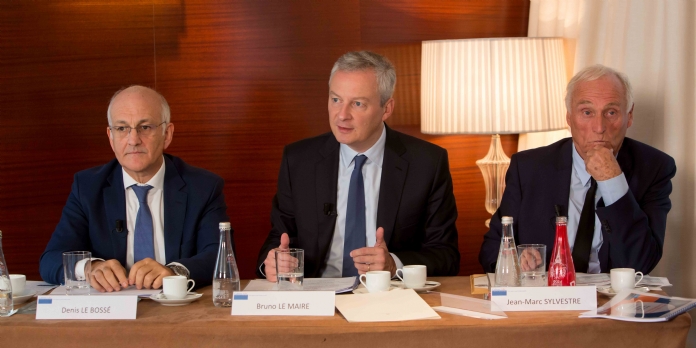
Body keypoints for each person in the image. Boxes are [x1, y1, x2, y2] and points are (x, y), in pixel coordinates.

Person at [257, 51, 460, 281]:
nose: (342, 115)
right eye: (336, 100)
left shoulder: (427, 163)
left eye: (358, 103)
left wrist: (395, 264)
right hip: (318, 296)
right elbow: (278, 240)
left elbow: (446, 255)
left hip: (390, 298)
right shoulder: (299, 161)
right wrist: (274, 263)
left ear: (387, 108)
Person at [479, 65, 676, 274]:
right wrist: (517, 260)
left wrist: (612, 181)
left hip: (613, 303)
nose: (599, 127)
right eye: (587, 112)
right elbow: (491, 251)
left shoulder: (655, 168)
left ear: (630, 116)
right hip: (547, 299)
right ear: (569, 118)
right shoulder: (528, 167)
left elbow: (641, 263)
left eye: (611, 112)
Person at [40, 86, 230, 291]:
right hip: (109, 314)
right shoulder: (87, 187)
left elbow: (220, 256)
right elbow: (51, 259)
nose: (133, 140)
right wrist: (90, 268)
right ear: (110, 137)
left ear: (167, 134)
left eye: (145, 127)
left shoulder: (203, 187)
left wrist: (174, 272)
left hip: (176, 311)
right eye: (122, 129)